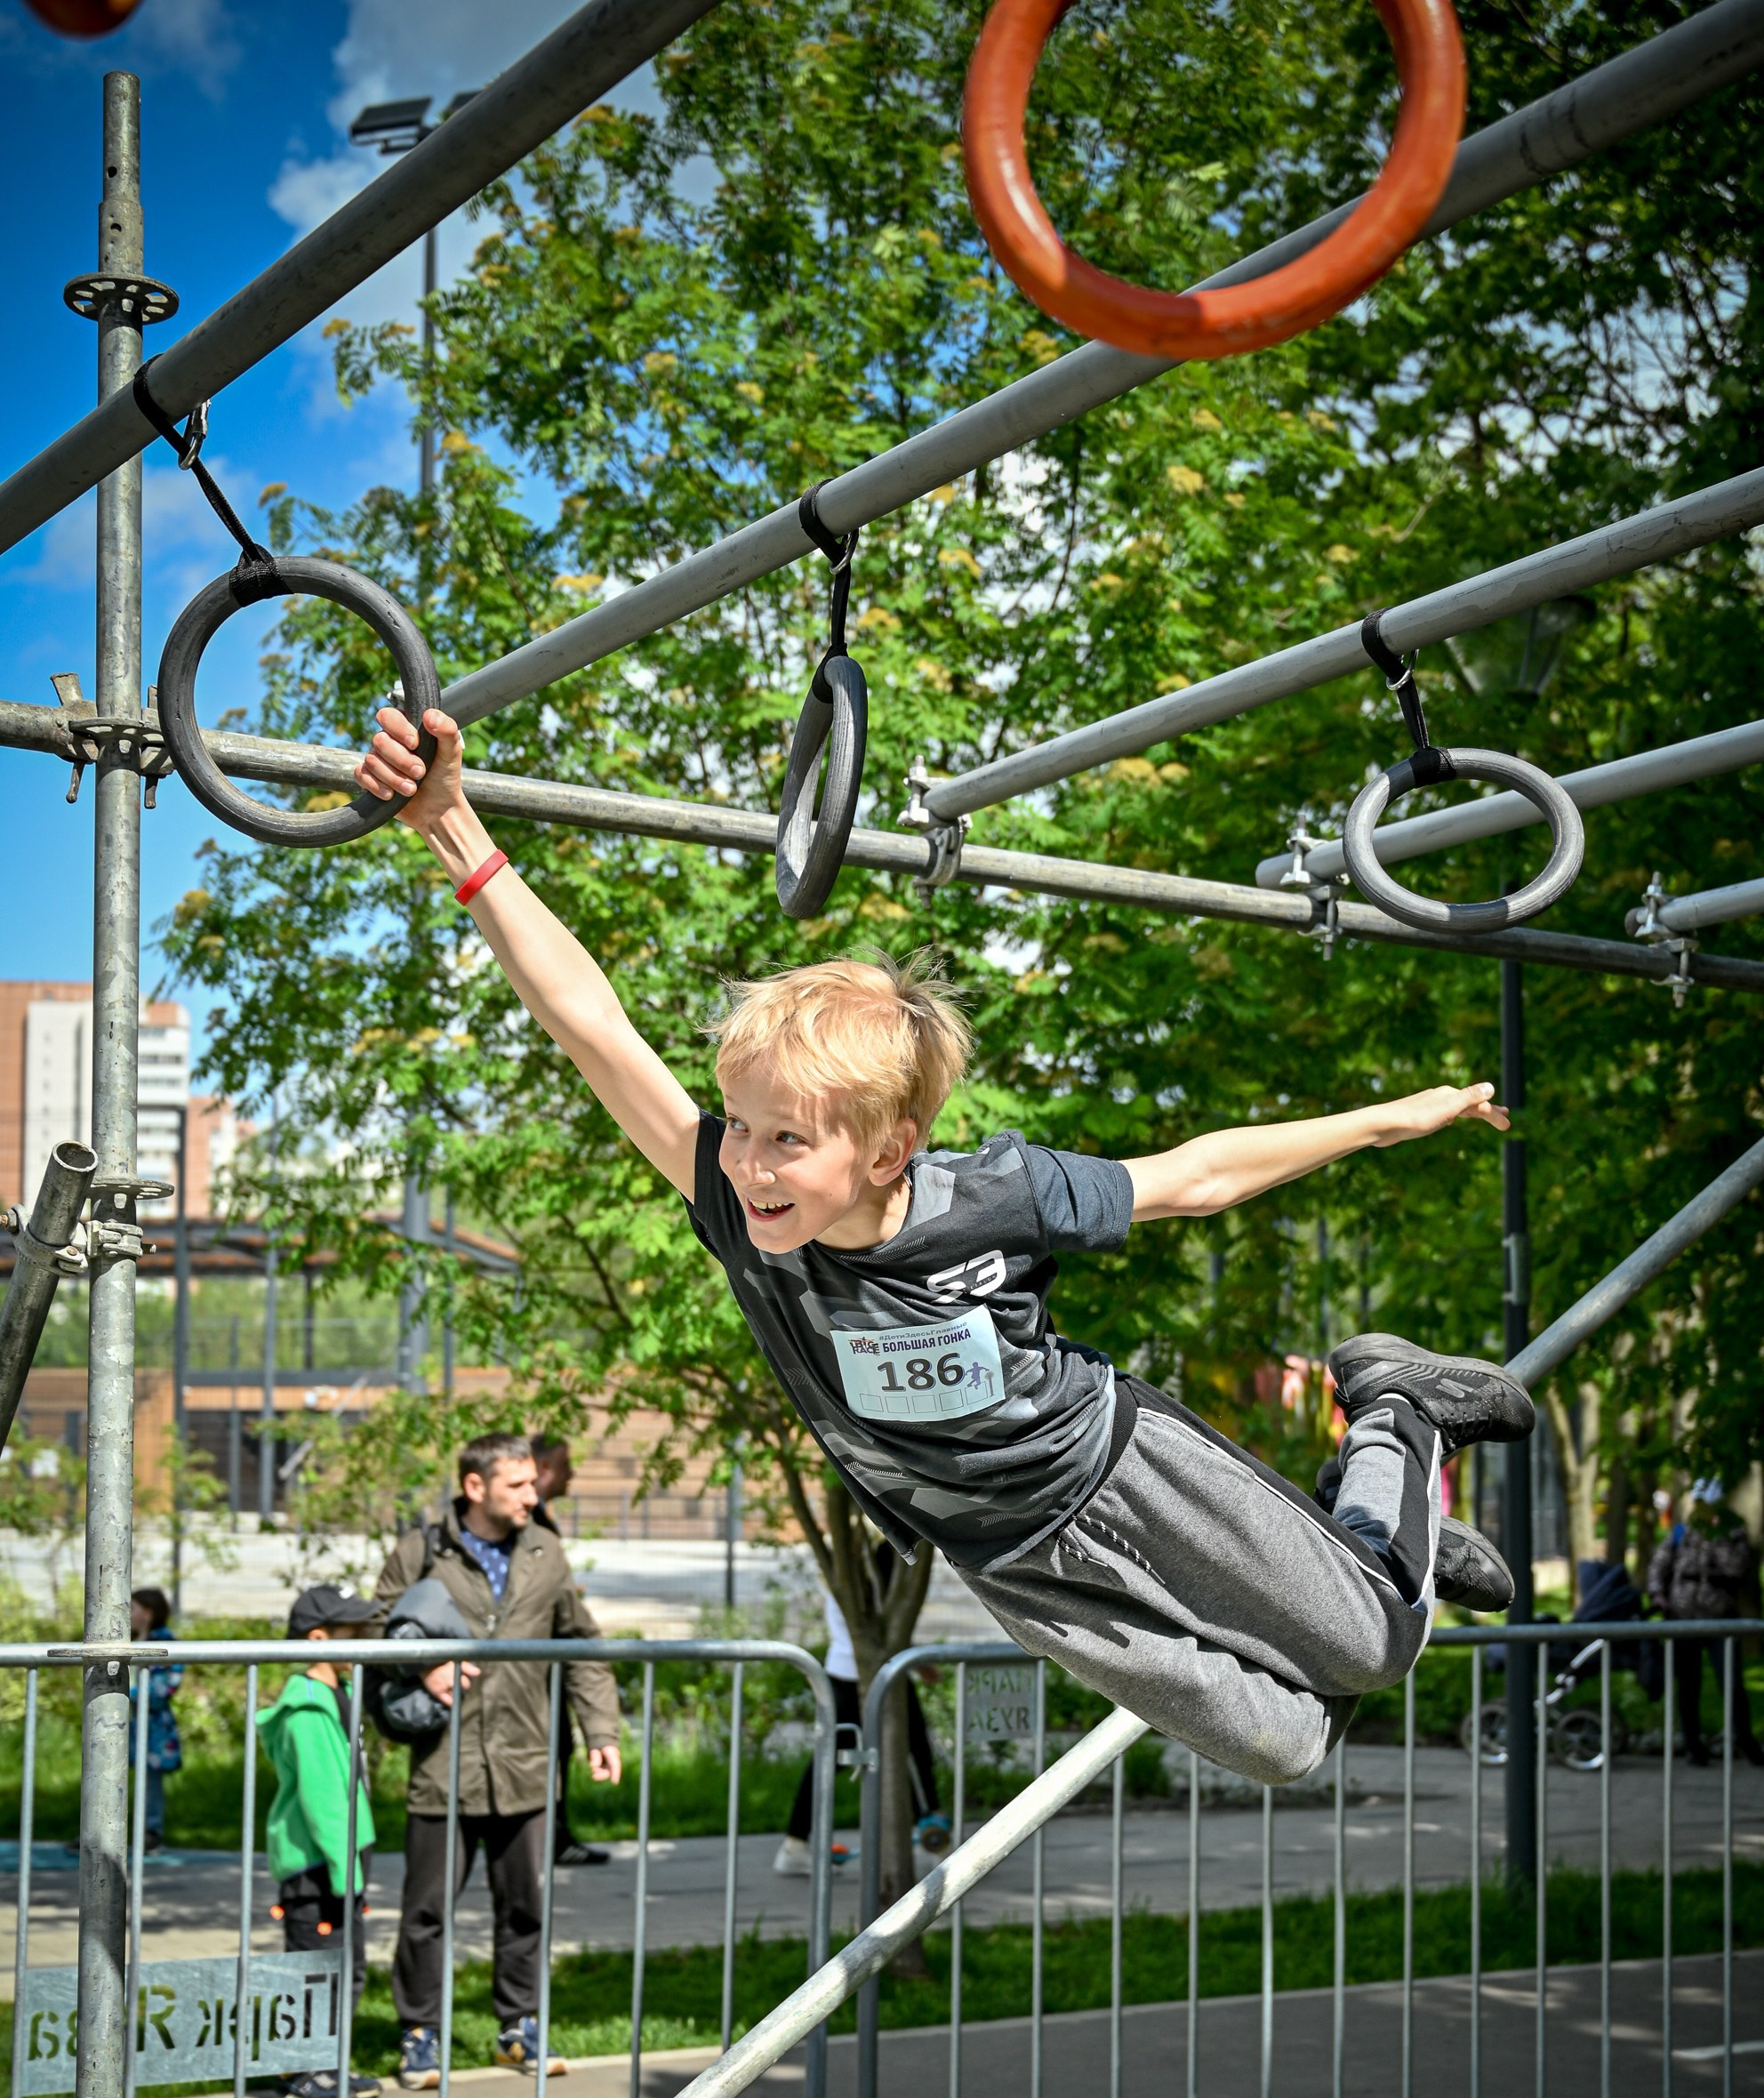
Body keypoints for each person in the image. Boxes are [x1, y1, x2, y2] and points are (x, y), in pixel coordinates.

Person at [354, 708, 1531, 1791]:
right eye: (744, 1131)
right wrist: (452, 824)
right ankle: (1366, 1535)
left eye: (788, 1142)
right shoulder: (736, 1207)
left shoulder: (997, 1196)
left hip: (1117, 1470)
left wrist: (1395, 1116)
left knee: (1376, 1641)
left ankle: (1390, 1409)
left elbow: (1196, 1179)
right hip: (1008, 1553)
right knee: (1287, 1743)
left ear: (885, 1150)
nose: (750, 1167)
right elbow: (593, 1027)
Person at [375, 1431, 624, 2089]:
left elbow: (581, 1643)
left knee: (524, 1909)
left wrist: (601, 1730)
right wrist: (419, 1668)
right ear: (475, 1486)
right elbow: (376, 1639)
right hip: (443, 1766)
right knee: (426, 1911)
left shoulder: (546, 1551)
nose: (532, 1493)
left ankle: (520, 2027)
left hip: (526, 1763)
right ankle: (419, 2033)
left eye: (532, 1482)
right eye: (517, 1484)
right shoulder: (419, 1552)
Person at [257, 1584, 383, 2098]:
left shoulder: (338, 1696)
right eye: (354, 1631)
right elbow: (323, 1800)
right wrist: (343, 1871)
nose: (366, 1639)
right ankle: (303, 2069)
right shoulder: (308, 1709)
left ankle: (329, 2061)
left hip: (342, 1861)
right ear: (319, 1637)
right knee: (315, 1969)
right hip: (320, 1867)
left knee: (345, 1968)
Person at [775, 1565, 942, 1877]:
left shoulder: (846, 1569)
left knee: (831, 1761)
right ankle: (935, 1832)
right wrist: (919, 1663)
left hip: (844, 1674)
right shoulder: (868, 1574)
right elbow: (884, 1628)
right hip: (874, 1673)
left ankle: (794, 1845)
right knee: (913, 1752)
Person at [529, 1431, 611, 1869]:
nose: (572, 1474)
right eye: (565, 1465)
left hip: (553, 1660)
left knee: (559, 1747)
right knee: (549, 1748)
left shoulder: (540, 1519)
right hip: (538, 1668)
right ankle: (547, 1838)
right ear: (543, 1469)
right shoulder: (530, 1522)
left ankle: (554, 1836)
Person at [1646, 1480, 1764, 1766]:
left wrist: (1716, 1536)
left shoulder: (1732, 1533)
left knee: (1732, 1684)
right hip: (1683, 1616)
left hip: (1720, 1619)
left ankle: (1745, 1740)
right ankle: (1693, 1746)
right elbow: (1658, 1565)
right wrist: (1658, 1594)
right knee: (1689, 1685)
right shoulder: (1681, 1532)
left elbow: (1735, 1568)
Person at [128, 1587, 182, 1854]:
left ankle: (151, 1832)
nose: (126, 1614)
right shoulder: (124, 1641)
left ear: (148, 1613)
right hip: (124, 1722)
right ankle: (99, 1832)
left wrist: (122, 1695)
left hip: (152, 1724)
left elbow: (165, 1687)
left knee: (150, 1781)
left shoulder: (167, 1644)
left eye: (132, 1608)